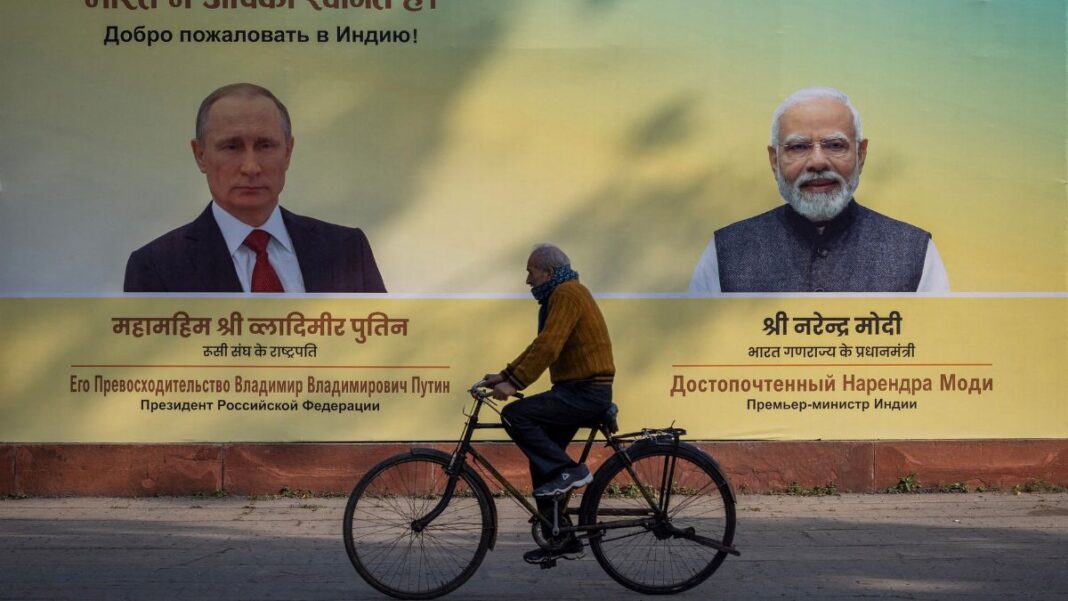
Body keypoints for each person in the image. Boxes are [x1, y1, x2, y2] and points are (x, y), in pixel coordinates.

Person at [124, 83, 386, 293]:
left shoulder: (346, 250)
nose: (251, 167)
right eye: (232, 147)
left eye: (265, 146)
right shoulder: (157, 267)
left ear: (288, 151)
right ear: (200, 154)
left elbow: (382, 350)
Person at [690, 87, 949, 293]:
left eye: (835, 145)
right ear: (774, 160)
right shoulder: (726, 252)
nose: (817, 162)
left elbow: (939, 354)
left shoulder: (914, 252)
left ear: (860, 155)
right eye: (798, 147)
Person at [482, 244, 614, 564]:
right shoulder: (564, 293)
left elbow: (549, 346)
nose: (528, 280)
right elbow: (540, 345)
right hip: (576, 390)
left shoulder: (567, 294)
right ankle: (561, 536)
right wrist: (504, 374)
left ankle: (570, 471)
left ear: (548, 273)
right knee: (542, 463)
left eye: (530, 272)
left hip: (585, 392)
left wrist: (513, 384)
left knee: (515, 415)